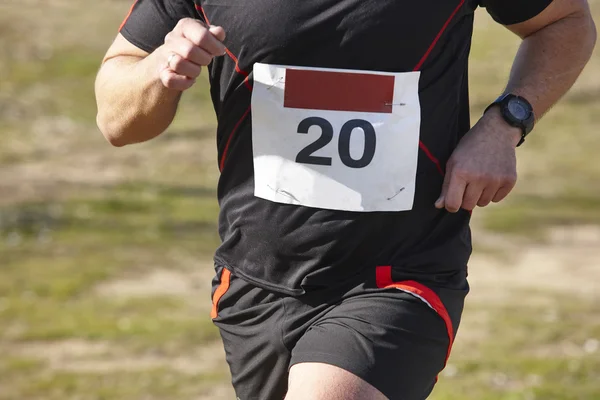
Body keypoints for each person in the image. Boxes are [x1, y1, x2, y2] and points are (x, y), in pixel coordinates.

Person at [95, 0, 596, 398]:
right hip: (256, 282)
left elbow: (565, 21)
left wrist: (505, 123)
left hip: (399, 274)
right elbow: (115, 120)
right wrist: (159, 69)